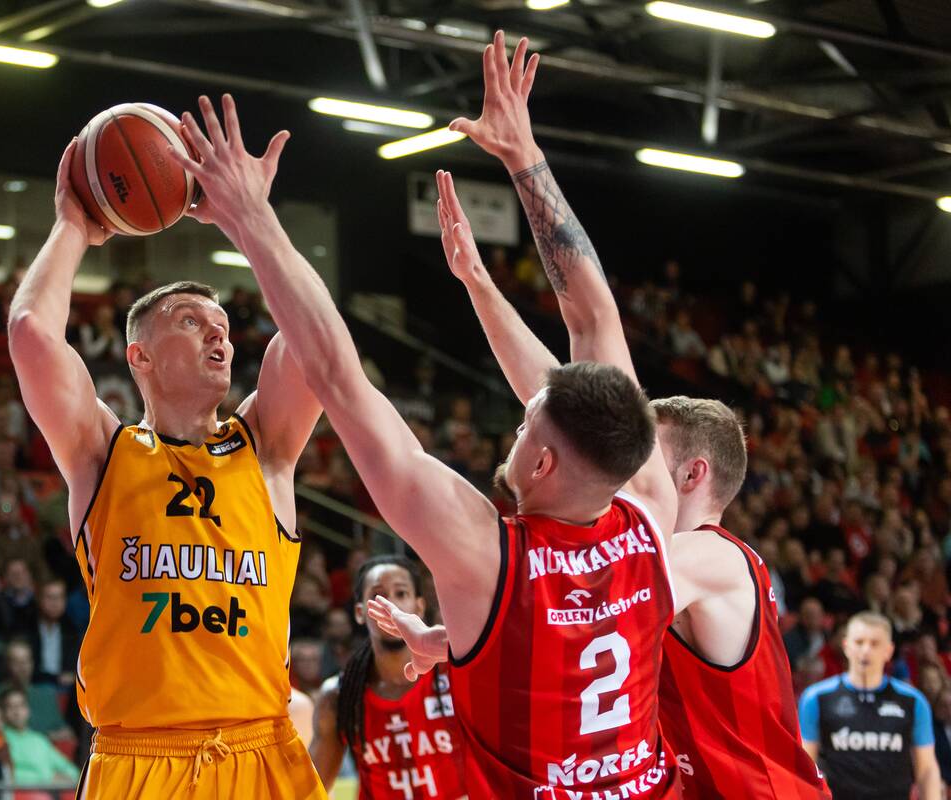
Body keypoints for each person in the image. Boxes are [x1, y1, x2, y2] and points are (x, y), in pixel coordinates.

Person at [170, 71, 676, 800]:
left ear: (540, 462)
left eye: (525, 419)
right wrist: (521, 162)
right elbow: (595, 320)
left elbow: (339, 377)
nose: (517, 419)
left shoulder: (487, 557)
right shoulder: (650, 509)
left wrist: (251, 217)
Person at [427, 154, 830, 794]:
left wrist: (462, 633)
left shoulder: (710, 558)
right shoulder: (658, 559)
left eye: (645, 455)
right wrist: (479, 283)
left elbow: (551, 609)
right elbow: (559, 405)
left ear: (692, 474)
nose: (622, 465)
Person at [6, 134, 325, 796]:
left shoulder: (266, 446)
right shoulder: (102, 452)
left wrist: (252, 219)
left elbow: (316, 335)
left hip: (260, 753)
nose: (218, 332)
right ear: (140, 357)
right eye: (189, 321)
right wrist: (74, 226)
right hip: (139, 759)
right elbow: (32, 333)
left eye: (222, 325)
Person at [310, 556, 466, 799]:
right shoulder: (338, 695)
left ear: (419, 606)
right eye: (377, 596)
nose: (390, 605)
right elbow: (309, 791)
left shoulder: (457, 674)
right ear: (360, 612)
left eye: (401, 593)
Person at [799, 612, 941, 799]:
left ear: (889, 650)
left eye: (874, 644)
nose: (865, 650)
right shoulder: (817, 698)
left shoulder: (913, 701)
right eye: (859, 642)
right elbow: (805, 768)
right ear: (846, 646)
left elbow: (927, 769)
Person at [0, 689, 77, 788]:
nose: (16, 711)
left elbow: (71, 770)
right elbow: (9, 774)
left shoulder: (39, 739)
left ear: (28, 710)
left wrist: (66, 778)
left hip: (52, 792)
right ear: (3, 712)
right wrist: (49, 779)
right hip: (22, 793)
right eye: (11, 707)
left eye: (21, 705)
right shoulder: (0, 739)